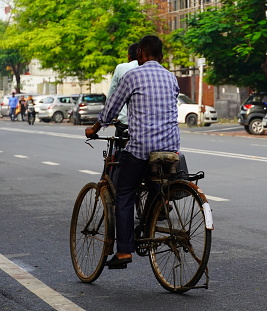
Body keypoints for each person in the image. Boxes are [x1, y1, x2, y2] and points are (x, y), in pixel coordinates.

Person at [85, 35, 180, 268]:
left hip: (141, 146)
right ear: (161, 55)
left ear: (140, 53)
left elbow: (110, 110)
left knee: (125, 194)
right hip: (170, 147)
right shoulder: (171, 78)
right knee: (155, 182)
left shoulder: (131, 76)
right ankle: (155, 211)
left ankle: (124, 252)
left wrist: (94, 128)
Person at [108, 42, 139, 137]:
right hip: (146, 126)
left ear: (129, 56)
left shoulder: (121, 68)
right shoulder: (155, 71)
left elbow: (112, 96)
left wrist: (108, 117)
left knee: (118, 145)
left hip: (125, 122)